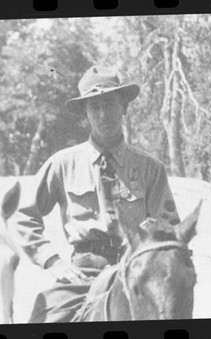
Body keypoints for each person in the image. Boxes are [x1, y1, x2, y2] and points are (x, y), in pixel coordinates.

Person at [13, 66, 180, 322]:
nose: (103, 114)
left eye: (110, 104)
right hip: (83, 275)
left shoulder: (150, 167)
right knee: (44, 316)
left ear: (123, 107)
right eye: (94, 107)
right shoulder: (63, 163)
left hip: (137, 271)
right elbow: (23, 217)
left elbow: (167, 227)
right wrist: (53, 261)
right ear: (85, 114)